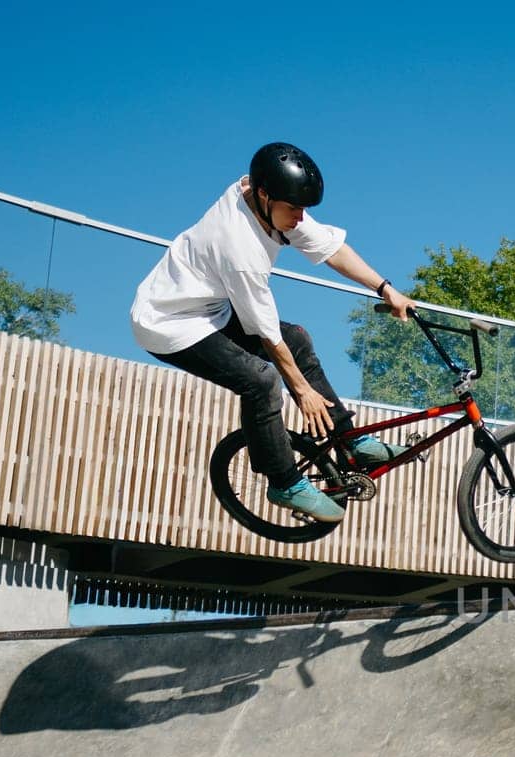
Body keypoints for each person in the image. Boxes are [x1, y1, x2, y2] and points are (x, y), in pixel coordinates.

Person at [130, 142, 415, 523]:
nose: (299, 219)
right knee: (262, 381)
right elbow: (266, 333)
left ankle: (350, 442)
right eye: (293, 210)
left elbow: (333, 250)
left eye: (303, 210)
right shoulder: (237, 245)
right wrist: (301, 389)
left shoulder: (270, 199)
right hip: (168, 323)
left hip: (209, 308)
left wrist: (385, 288)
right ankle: (284, 482)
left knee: (298, 337)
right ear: (264, 196)